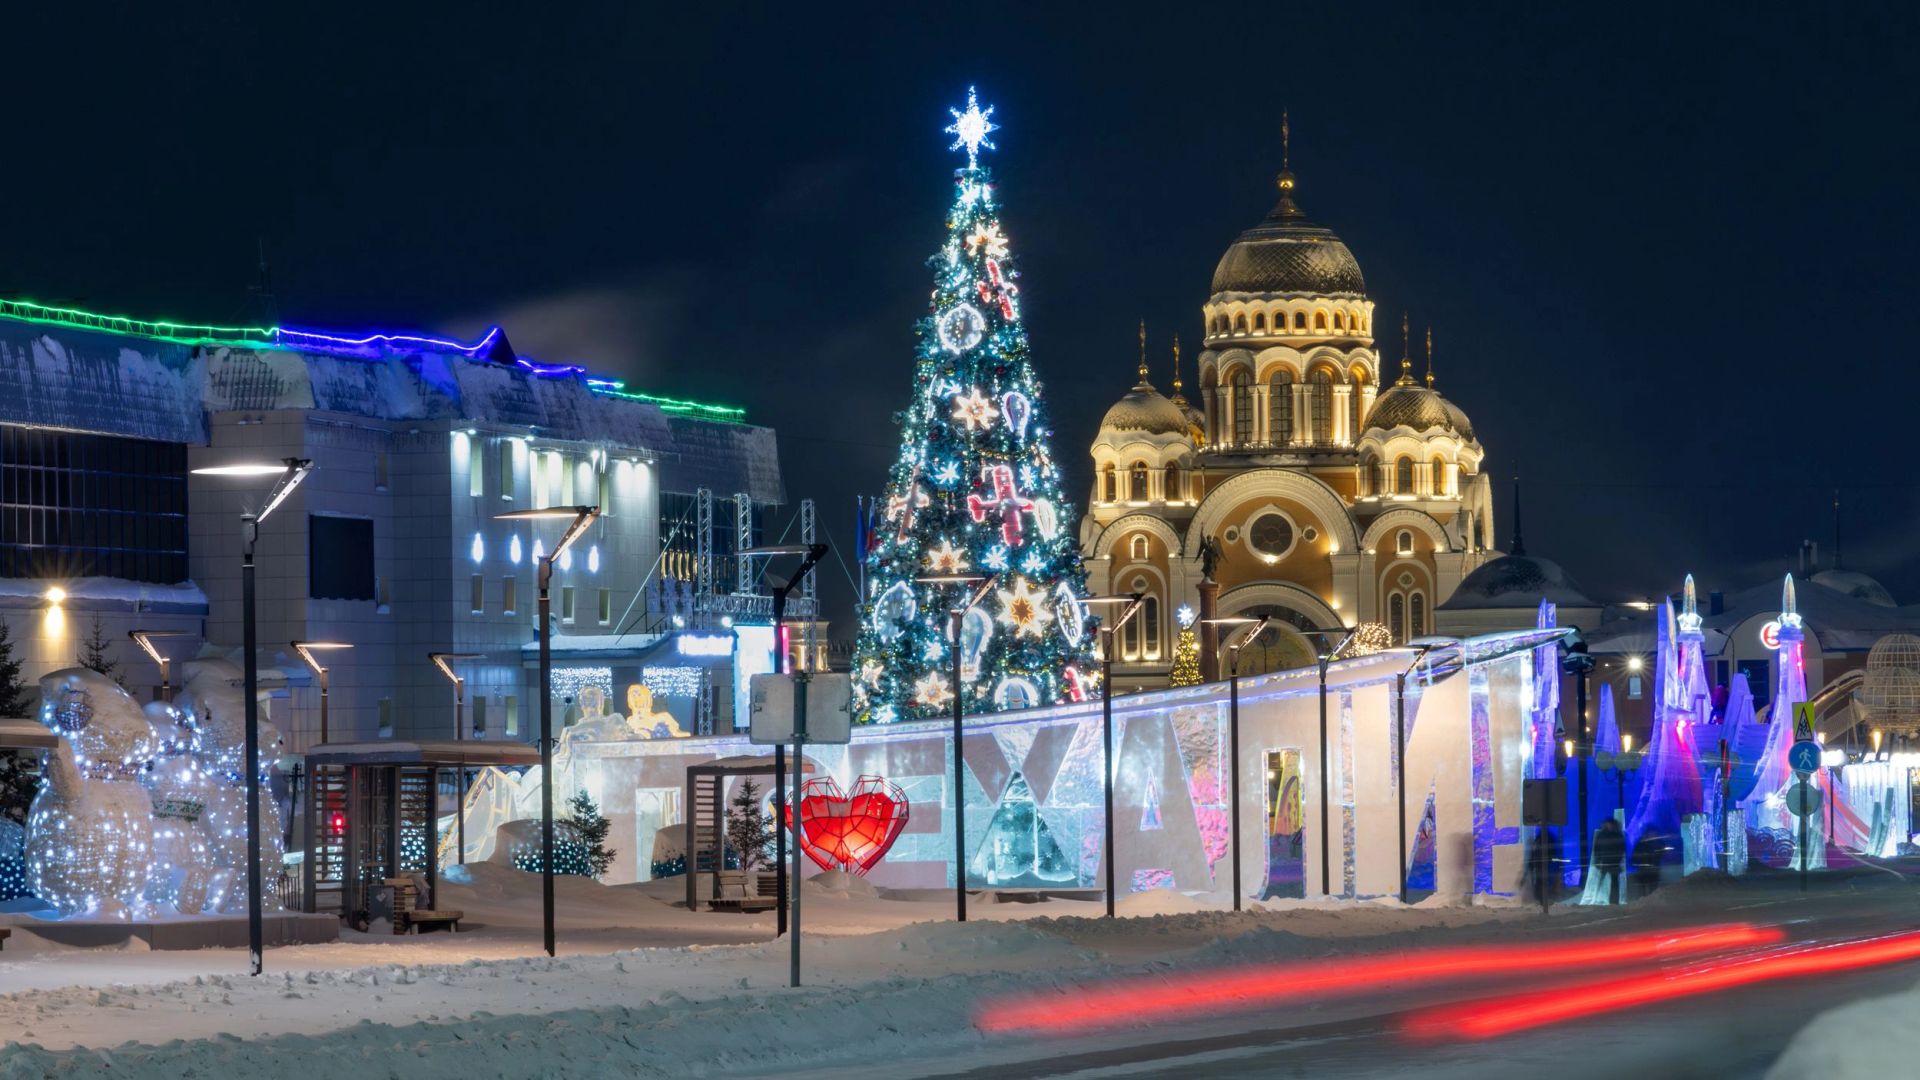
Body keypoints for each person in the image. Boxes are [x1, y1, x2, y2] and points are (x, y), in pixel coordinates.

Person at [1593, 818, 1626, 904]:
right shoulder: (1615, 834)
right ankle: (1597, 899)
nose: (1608, 825)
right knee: (1606, 881)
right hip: (1609, 861)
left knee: (1612, 882)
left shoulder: (1603, 835)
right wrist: (1598, 860)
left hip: (1611, 861)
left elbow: (1621, 848)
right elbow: (1597, 849)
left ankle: (1612, 901)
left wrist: (1598, 859)